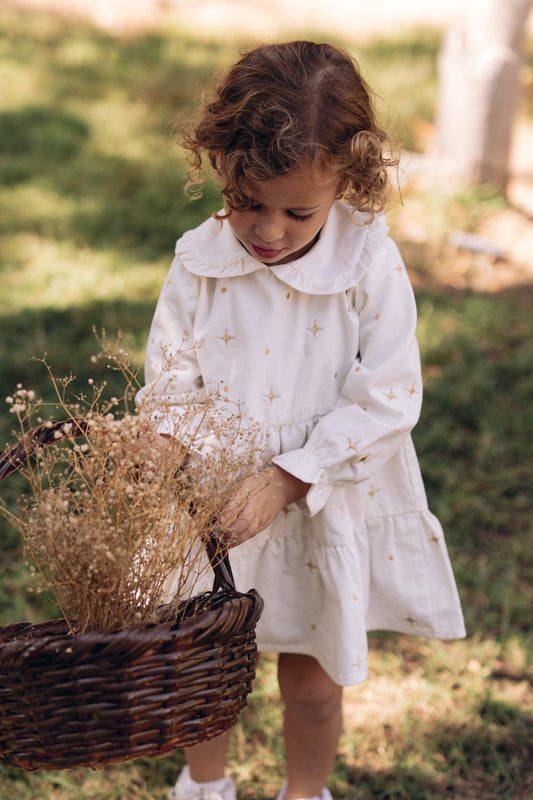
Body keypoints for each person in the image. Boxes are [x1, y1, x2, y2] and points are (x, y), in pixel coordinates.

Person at [137, 40, 466, 800]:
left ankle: (304, 791)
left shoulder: (365, 264)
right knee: (204, 665)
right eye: (247, 202)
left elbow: (388, 394)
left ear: (346, 184)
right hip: (213, 506)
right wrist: (161, 437)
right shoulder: (199, 261)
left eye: (297, 211)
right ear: (218, 164)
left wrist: (288, 478)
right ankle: (203, 784)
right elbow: (172, 373)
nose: (269, 231)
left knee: (313, 685)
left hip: (319, 497)